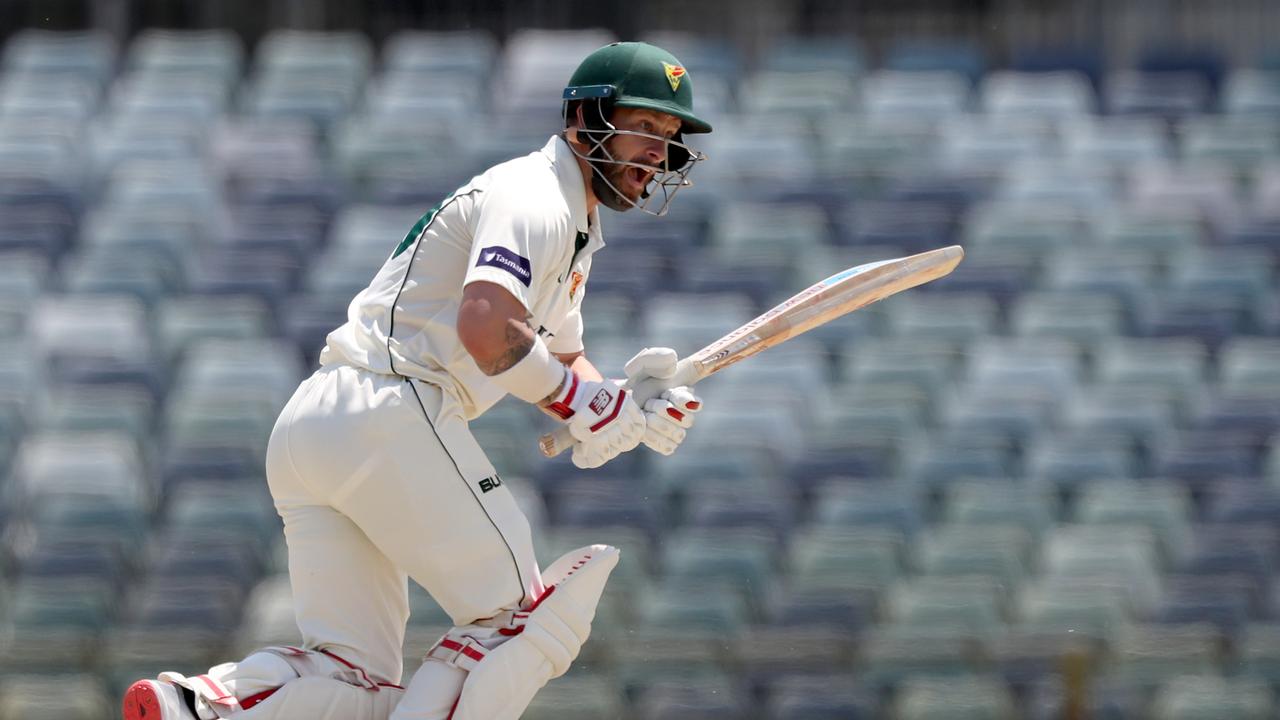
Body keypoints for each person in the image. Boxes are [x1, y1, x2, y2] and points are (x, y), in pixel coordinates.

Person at [122, 40, 713, 720]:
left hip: (321, 423)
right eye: (644, 126)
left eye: (669, 138)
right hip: (389, 410)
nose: (656, 153)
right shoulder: (535, 197)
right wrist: (581, 403)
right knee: (521, 625)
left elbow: (559, 358)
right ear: (584, 116)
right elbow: (488, 327)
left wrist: (620, 405)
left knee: (354, 674)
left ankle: (201, 706)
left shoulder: (570, 224)